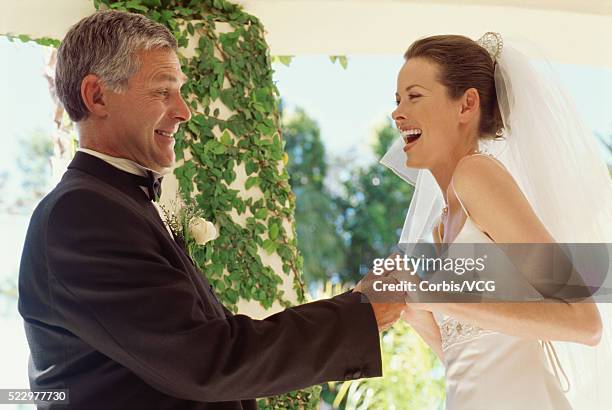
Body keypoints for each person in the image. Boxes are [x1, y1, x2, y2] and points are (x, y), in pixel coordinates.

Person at [17, 10, 405, 409]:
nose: (184, 111)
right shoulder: (82, 212)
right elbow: (206, 360)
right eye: (162, 91)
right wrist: (359, 316)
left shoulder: (115, 203)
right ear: (97, 96)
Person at [381, 33, 612, 409]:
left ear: (466, 104)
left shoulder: (477, 175)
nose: (397, 112)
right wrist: (416, 312)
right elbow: (469, 358)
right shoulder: (443, 221)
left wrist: (436, 298)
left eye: (414, 96)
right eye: (397, 100)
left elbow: (585, 324)